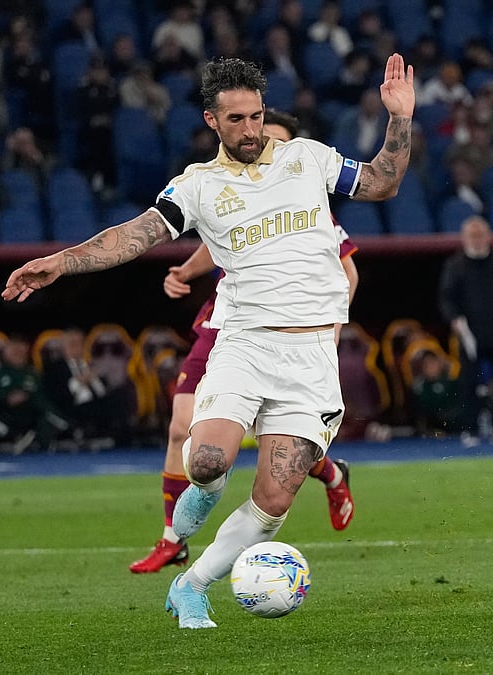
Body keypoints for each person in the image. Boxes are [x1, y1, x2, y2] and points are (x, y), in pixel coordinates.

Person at [3, 54, 415, 629]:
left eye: (256, 116)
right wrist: (62, 262)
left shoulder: (307, 158)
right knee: (206, 460)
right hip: (244, 343)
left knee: (275, 498)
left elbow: (383, 181)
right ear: (211, 120)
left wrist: (400, 118)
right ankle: (197, 498)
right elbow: (135, 234)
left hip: (313, 356)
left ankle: (190, 585)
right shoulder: (197, 185)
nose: (250, 130)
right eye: (236, 119)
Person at [127, 109, 361, 575]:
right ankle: (173, 539)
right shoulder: (225, 187)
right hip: (225, 323)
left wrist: (328, 331)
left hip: (287, 333)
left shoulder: (308, 202)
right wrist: (185, 272)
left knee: (268, 438)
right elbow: (215, 237)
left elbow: (348, 271)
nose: (261, 144)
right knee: (181, 428)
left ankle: (331, 471)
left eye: (277, 140)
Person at [438, 216, 493, 447]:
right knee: (469, 382)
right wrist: (454, 319)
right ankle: (470, 429)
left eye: (480, 235)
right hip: (470, 333)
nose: (477, 240)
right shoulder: (456, 265)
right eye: (472, 236)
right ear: (464, 238)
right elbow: (447, 297)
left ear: (488, 236)